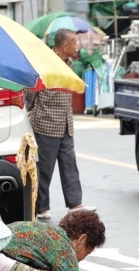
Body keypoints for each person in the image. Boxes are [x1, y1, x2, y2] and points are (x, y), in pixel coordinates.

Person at [25, 28, 96, 220]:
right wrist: (29, 108)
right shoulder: (45, 63)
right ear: (65, 46)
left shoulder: (69, 63)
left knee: (69, 164)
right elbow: (31, 90)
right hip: (46, 122)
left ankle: (75, 203)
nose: (77, 46)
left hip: (66, 122)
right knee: (45, 168)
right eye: (74, 42)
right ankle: (41, 208)